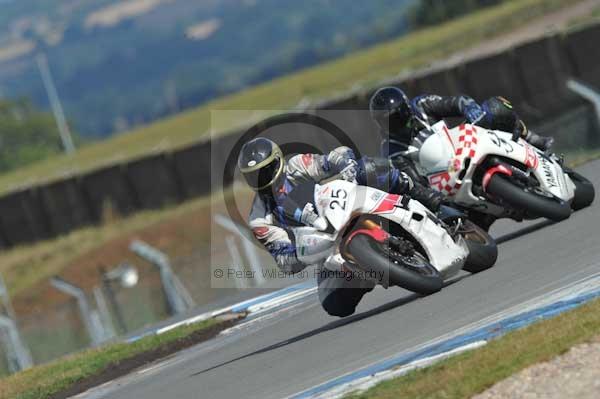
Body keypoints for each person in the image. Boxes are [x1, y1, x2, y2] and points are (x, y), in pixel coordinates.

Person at [238, 137, 422, 317]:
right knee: (334, 303)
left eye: (265, 171)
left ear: (278, 161)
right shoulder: (259, 220)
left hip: (343, 205)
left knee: (366, 169)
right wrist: (301, 253)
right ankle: (369, 270)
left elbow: (332, 159)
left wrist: (346, 166)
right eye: (253, 176)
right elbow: (284, 260)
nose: (261, 179)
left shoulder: (296, 166)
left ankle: (421, 194)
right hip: (326, 247)